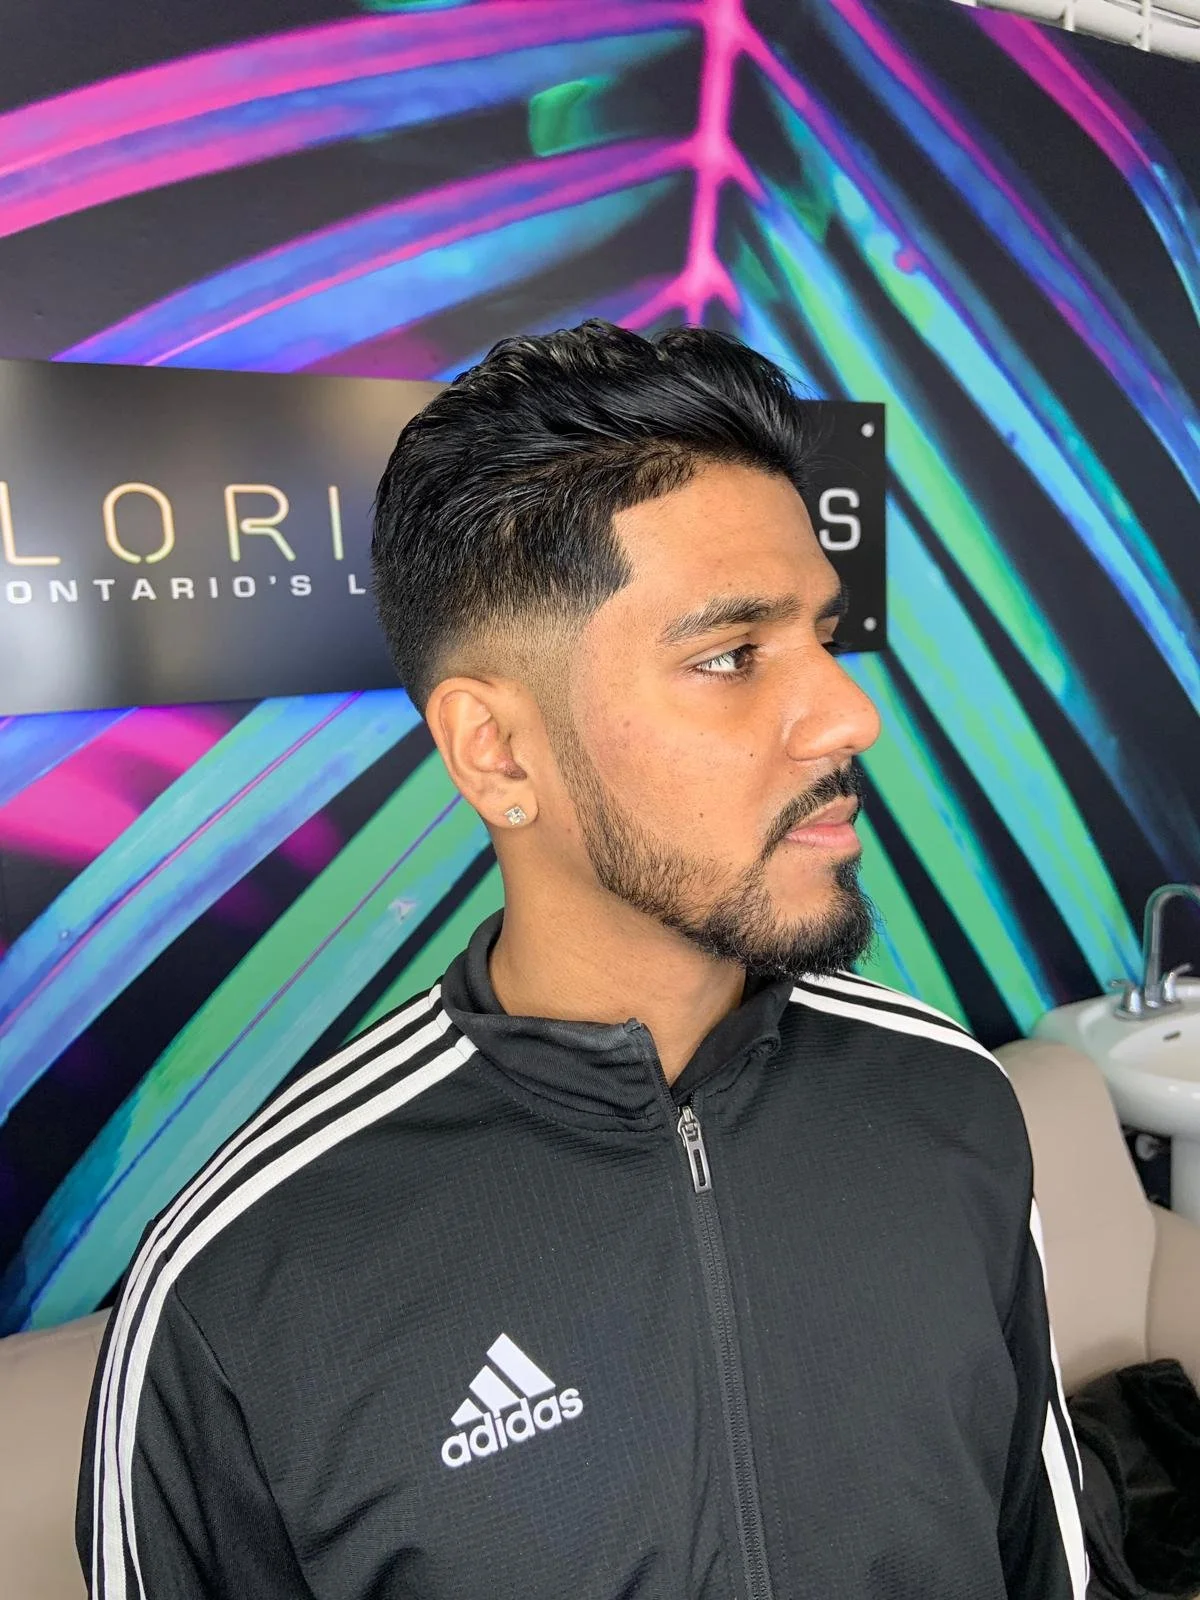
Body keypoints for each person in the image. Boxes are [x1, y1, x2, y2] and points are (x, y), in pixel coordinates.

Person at [78, 320, 1088, 1599]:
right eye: (730, 655)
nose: (849, 713)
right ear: (497, 753)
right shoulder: (242, 1281)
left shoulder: (949, 1106)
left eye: (824, 637)